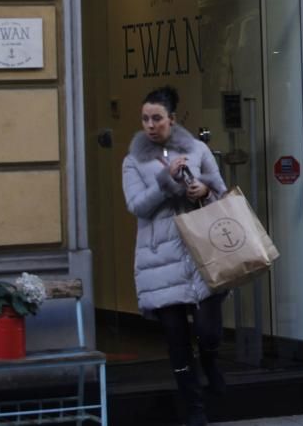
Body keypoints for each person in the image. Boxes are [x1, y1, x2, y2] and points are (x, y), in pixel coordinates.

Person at [122, 85, 228, 426]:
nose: (150, 125)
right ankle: (195, 411)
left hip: (203, 254)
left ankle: (211, 359)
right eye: (145, 119)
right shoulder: (133, 161)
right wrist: (166, 182)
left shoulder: (197, 149)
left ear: (172, 119)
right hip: (160, 259)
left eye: (157, 118)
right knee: (176, 340)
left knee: (209, 331)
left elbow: (222, 193)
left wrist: (205, 189)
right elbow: (137, 206)